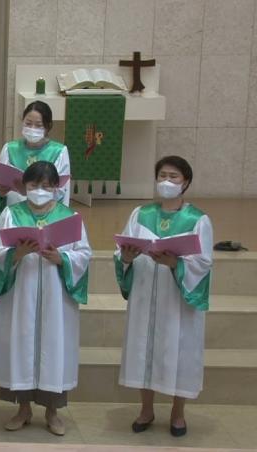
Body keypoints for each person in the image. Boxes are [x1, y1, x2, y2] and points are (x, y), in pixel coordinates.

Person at [0, 161, 91, 436]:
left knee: (53, 349)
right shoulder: (11, 214)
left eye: (46, 186)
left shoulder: (70, 217)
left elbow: (84, 254)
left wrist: (62, 258)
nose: (40, 190)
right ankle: (23, 409)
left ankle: (52, 412)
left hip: (57, 299)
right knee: (21, 346)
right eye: (34, 185)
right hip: (21, 295)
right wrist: (17, 254)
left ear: (56, 187)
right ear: (25, 186)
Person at [115, 156, 212, 437]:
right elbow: (122, 249)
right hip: (145, 293)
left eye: (174, 177)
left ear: (186, 182)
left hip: (177, 301)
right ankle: (146, 409)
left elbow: (203, 262)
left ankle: (178, 413)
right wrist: (125, 258)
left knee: (179, 353)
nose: (167, 181)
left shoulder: (197, 220)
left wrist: (175, 264)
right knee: (144, 349)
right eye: (162, 176)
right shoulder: (140, 214)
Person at [0, 101, 71, 234]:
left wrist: (30, 190)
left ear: (48, 126)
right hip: (16, 213)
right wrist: (0, 192)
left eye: (38, 125)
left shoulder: (59, 151)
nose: (32, 128)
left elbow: (62, 190)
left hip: (46, 212)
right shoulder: (10, 149)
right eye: (28, 124)